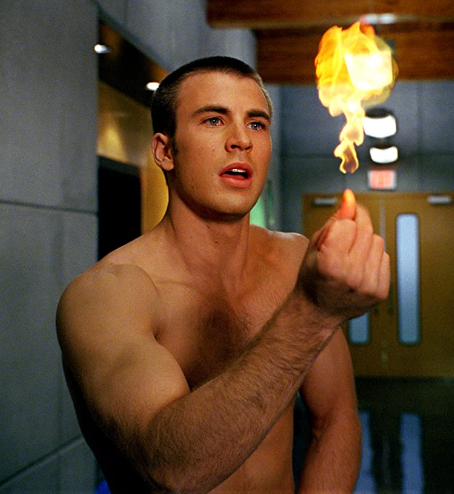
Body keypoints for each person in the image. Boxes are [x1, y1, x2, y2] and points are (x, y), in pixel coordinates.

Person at [56, 56, 390, 494]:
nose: (241, 141)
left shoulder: (294, 262)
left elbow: (336, 420)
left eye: (256, 124)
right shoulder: (107, 295)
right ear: (165, 151)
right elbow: (171, 470)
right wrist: (312, 313)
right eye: (214, 120)